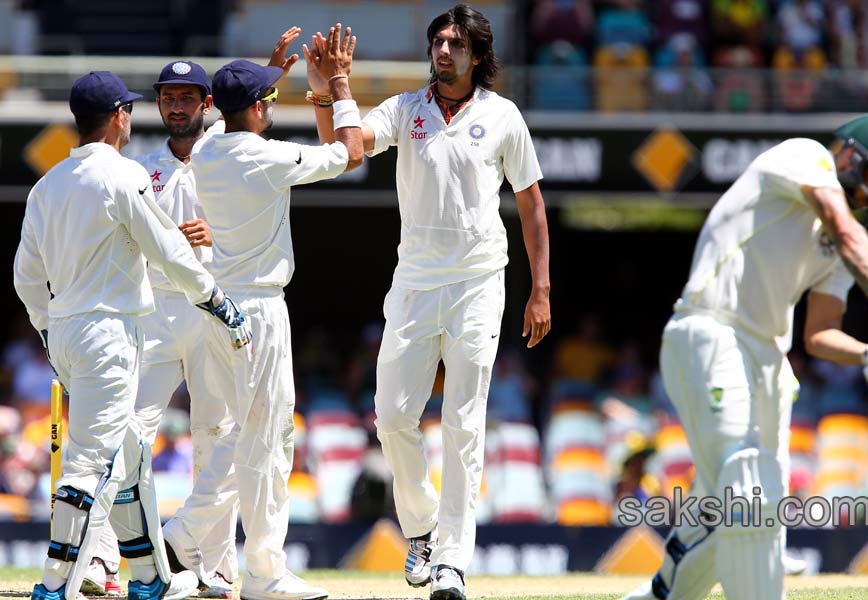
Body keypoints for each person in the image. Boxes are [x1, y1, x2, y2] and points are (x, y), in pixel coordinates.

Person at [620, 112, 868, 600]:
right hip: (711, 329)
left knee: (731, 504)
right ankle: (753, 560)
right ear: (850, 155)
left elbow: (821, 333)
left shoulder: (839, 247)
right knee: (744, 489)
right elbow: (842, 224)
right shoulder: (804, 156)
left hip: (769, 357)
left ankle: (666, 590)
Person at [313, 6, 552, 599]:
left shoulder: (503, 116)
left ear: (477, 54)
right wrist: (333, 92)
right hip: (415, 281)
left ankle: (451, 561)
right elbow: (344, 153)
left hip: (478, 282)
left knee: (464, 424)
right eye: (438, 41)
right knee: (392, 416)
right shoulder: (405, 109)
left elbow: (532, 207)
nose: (444, 50)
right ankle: (419, 528)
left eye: (456, 42)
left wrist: (541, 289)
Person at [83, 28, 306, 599]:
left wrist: (214, 238)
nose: (176, 105)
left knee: (220, 432)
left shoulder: (223, 154)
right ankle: (102, 560)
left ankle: (210, 563)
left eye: (187, 98)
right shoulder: (139, 167)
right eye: (167, 97)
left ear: (208, 106)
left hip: (214, 305)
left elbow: (247, 106)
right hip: (155, 310)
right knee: (127, 433)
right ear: (159, 104)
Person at [14, 71, 249, 600]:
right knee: (92, 461)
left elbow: (25, 277)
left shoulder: (45, 185)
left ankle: (147, 577)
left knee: (128, 457)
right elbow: (167, 248)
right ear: (120, 115)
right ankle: (56, 583)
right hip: (110, 334)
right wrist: (215, 300)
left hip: (67, 333)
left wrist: (46, 328)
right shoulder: (124, 175)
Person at [157, 24, 363, 600]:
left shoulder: (207, 148)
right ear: (253, 108)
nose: (273, 105)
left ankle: (243, 559)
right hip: (259, 311)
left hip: (216, 306)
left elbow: (229, 115)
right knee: (265, 438)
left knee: (247, 433)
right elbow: (349, 153)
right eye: (267, 99)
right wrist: (338, 84)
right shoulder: (264, 156)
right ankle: (212, 544)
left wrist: (271, 72)